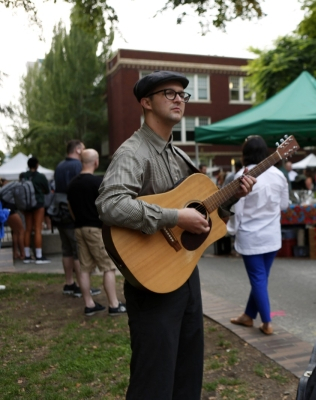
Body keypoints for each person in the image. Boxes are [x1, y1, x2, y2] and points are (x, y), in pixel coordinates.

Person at [96, 71, 255, 399]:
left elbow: (202, 214)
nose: (179, 98)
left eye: (183, 94)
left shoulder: (178, 153)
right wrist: (173, 216)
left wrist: (232, 197)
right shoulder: (134, 152)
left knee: (187, 373)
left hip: (183, 273)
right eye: (169, 93)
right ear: (146, 102)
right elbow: (110, 205)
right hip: (150, 280)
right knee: (153, 379)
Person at [228, 136, 289, 335]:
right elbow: (284, 205)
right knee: (261, 279)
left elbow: (237, 208)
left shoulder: (243, 175)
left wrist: (230, 231)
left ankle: (267, 322)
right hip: (271, 235)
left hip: (250, 235)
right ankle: (248, 316)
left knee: (258, 279)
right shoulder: (279, 175)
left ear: (245, 154)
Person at [67, 149, 127, 317]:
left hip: (78, 228)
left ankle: (89, 304)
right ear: (96, 162)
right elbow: (107, 207)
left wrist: (78, 219)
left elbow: (70, 206)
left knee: (84, 268)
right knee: (108, 267)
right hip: (95, 229)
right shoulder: (98, 183)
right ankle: (114, 305)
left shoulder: (72, 184)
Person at [54, 140, 99, 297]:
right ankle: (81, 286)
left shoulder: (59, 166)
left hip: (58, 214)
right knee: (77, 252)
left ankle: (69, 283)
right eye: (84, 148)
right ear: (79, 150)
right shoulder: (76, 166)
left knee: (66, 249)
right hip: (74, 215)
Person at [21, 157, 51, 264]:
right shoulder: (40, 176)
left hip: (27, 205)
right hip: (38, 204)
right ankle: (38, 256)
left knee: (27, 229)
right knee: (38, 229)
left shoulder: (24, 176)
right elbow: (47, 190)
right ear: (37, 164)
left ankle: (27, 256)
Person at [0, 179, 25, 260]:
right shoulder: (11, 188)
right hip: (10, 211)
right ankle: (22, 253)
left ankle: (15, 253)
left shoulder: (4, 193)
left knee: (15, 232)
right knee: (21, 231)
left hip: (7, 211)